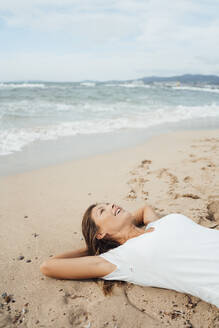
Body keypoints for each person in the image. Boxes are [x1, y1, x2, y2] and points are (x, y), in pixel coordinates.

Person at [40, 202, 219, 308]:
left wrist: (126, 227)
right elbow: (48, 266)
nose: (111, 205)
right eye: (102, 211)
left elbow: (144, 209)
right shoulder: (122, 258)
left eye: (108, 203)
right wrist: (94, 247)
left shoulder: (155, 224)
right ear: (100, 233)